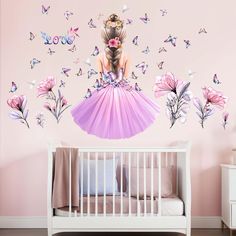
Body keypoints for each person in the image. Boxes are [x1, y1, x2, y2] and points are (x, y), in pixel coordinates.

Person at [71, 14, 160, 139]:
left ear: (106, 39)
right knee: (124, 116)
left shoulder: (100, 57)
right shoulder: (126, 56)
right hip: (123, 91)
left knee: (104, 116)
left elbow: (101, 78)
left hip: (104, 92)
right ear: (120, 39)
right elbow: (126, 77)